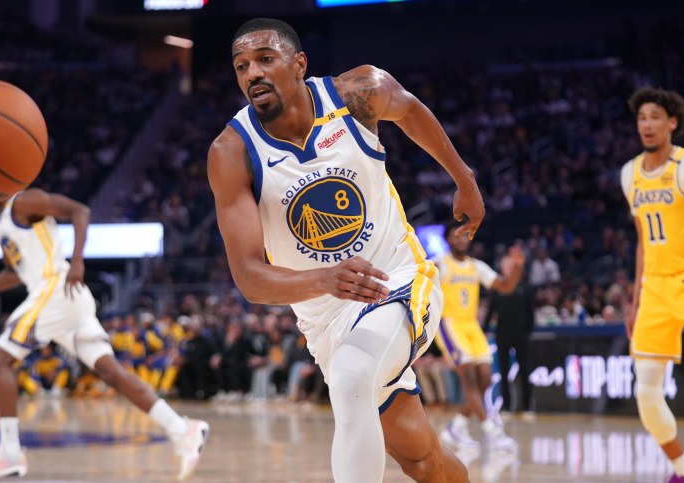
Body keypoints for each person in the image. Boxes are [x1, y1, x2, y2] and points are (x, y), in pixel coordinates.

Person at [207, 17, 485, 482]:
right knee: (421, 460)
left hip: (396, 278)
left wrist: (464, 178)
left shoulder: (357, 93)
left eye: (264, 59)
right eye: (241, 66)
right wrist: (323, 280)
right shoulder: (232, 152)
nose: (252, 73)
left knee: (353, 378)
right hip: (325, 319)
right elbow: (250, 277)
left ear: (299, 64)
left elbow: (412, 111)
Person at [0, 189, 208, 480]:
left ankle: (9, 453)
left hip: (55, 288)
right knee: (111, 372)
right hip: (63, 299)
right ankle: (184, 429)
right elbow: (16, 273)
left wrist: (78, 260)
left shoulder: (24, 200)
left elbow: (80, 211)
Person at [621, 86, 684, 483]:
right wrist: (635, 299)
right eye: (642, 117)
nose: (647, 124)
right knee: (645, 392)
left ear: (672, 123)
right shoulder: (629, 174)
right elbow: (643, 241)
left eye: (655, 117)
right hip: (654, 290)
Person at [434, 225, 524, 450]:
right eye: (457, 235)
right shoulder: (440, 264)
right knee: (470, 379)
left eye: (465, 235)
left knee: (485, 378)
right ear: (447, 240)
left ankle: (457, 425)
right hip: (450, 324)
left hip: (471, 325)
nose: (462, 239)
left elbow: (506, 287)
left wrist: (517, 268)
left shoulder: (476, 266)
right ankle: (492, 431)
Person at [483, 264, 535, 417]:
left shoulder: (525, 288)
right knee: (504, 372)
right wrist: (484, 330)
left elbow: (530, 314)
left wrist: (528, 333)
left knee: (525, 372)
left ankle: (527, 408)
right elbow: (490, 311)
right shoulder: (499, 289)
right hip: (503, 336)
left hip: (521, 337)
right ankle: (506, 406)